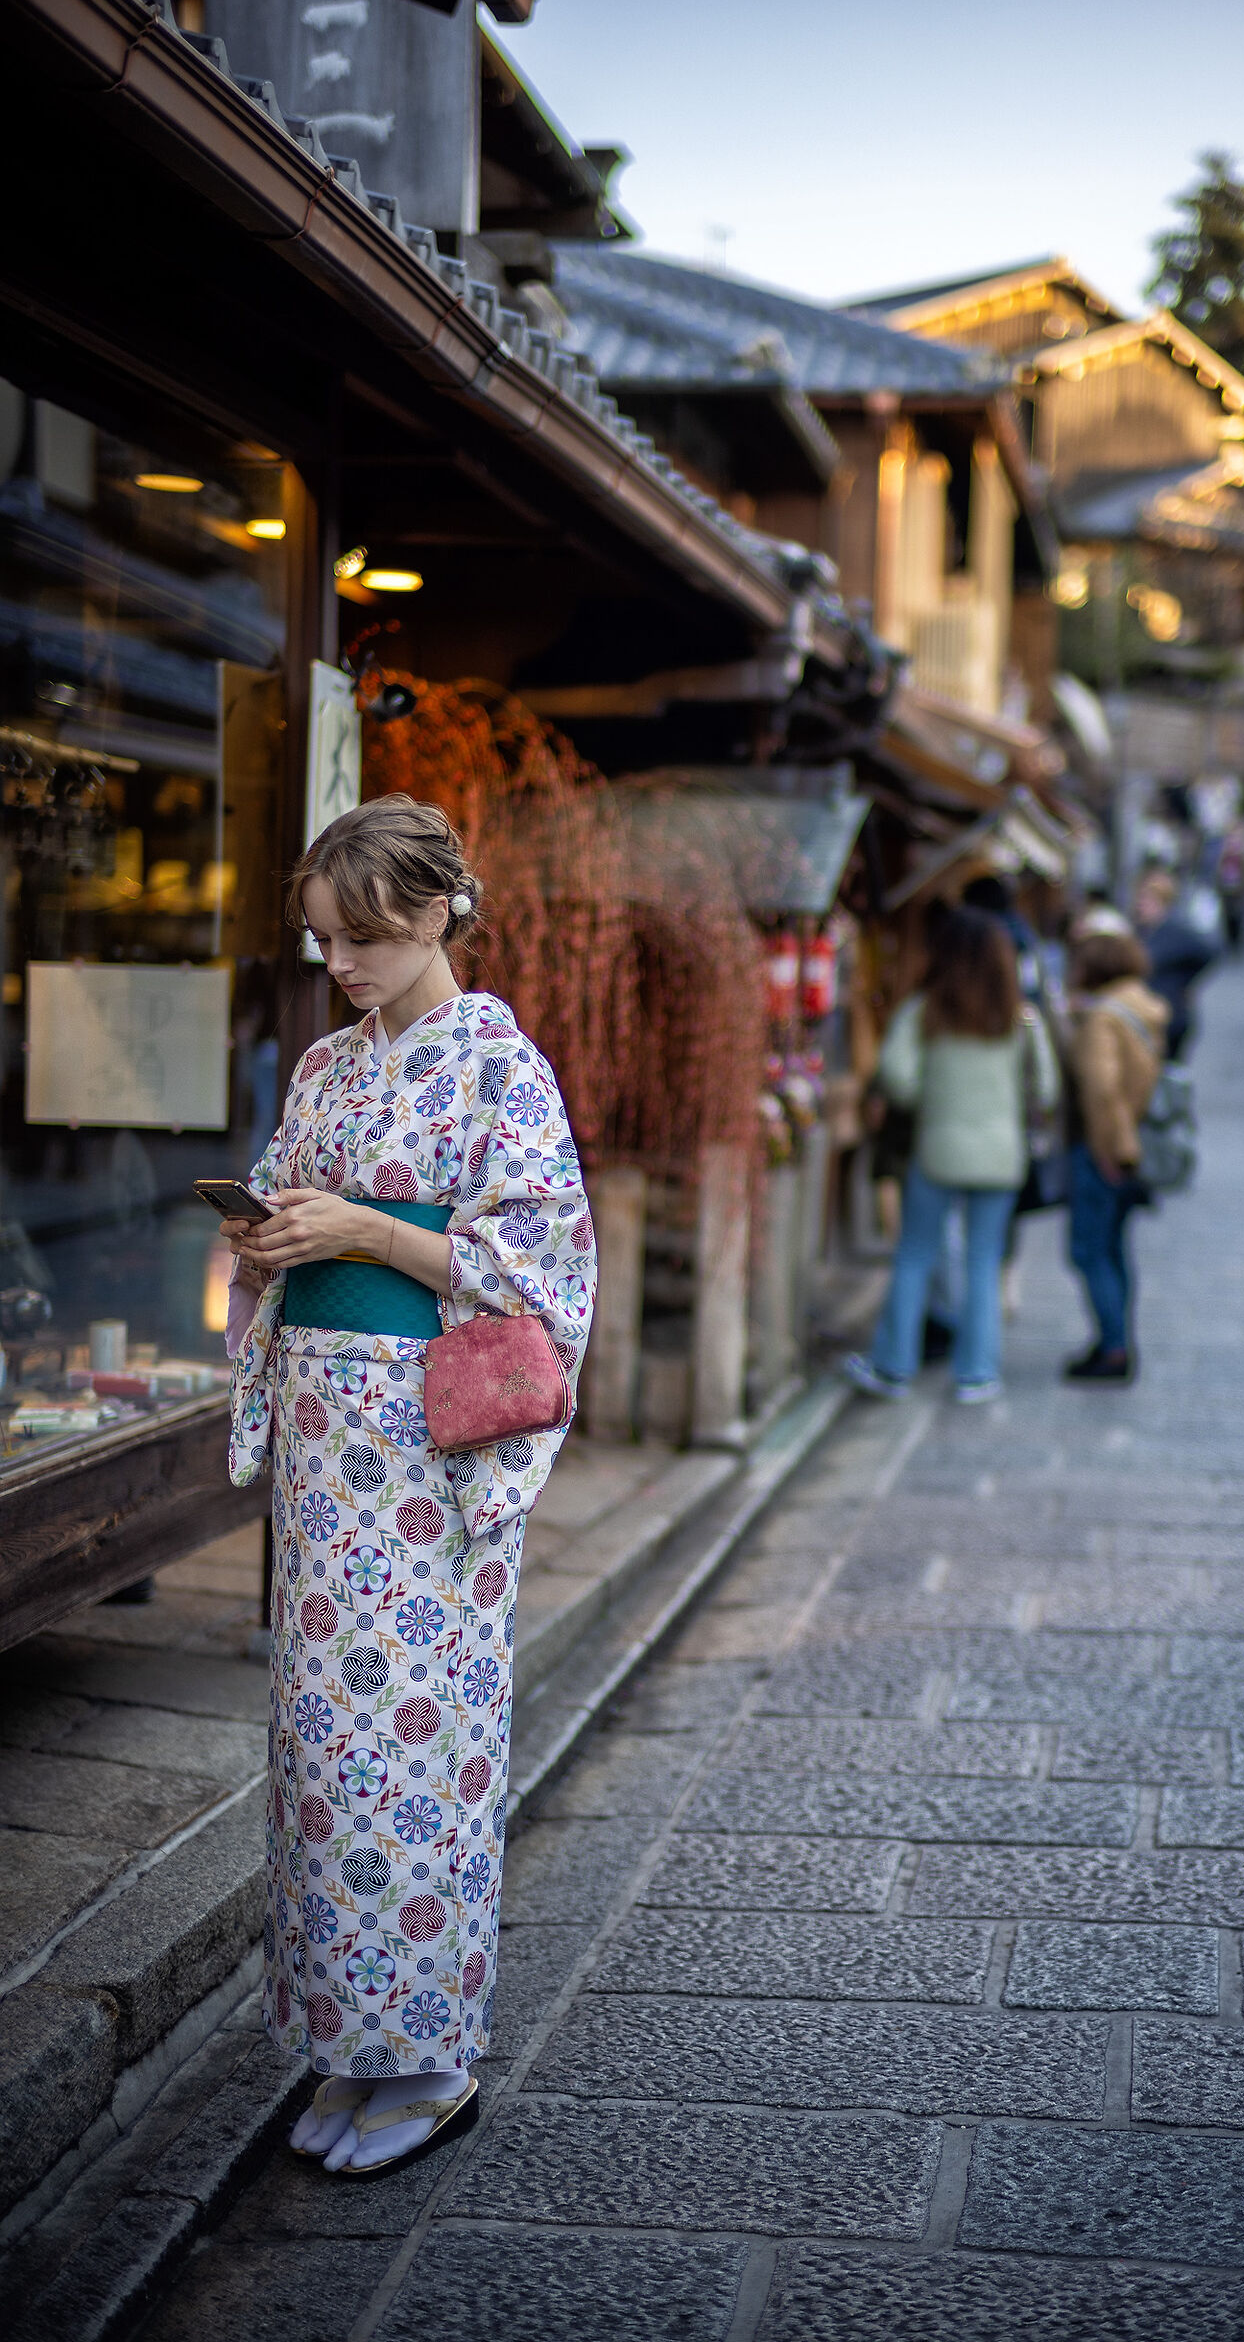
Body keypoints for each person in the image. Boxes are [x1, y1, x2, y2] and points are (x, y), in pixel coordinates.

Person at [215, 795, 594, 2176]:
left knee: (414, 1747)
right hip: (326, 1460)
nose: (344, 968)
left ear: (439, 910)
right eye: (325, 942)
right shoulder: (325, 1068)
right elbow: (283, 1195)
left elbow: (541, 1265)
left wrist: (370, 1229)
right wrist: (269, 1239)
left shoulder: (502, 1070)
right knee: (319, 1749)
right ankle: (345, 2042)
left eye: (364, 937)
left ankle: (429, 2061)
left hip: (430, 1468)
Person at [844, 907, 1057, 1406]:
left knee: (915, 1255)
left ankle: (893, 1366)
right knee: (984, 1262)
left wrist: (928, 1098)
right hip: (1000, 1157)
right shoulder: (1019, 1018)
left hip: (937, 1151)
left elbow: (894, 1074)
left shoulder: (925, 1011)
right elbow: (1045, 1086)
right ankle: (977, 1374)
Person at [1061, 915, 1169, 1384]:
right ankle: (1117, 1339)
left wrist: (1112, 1149)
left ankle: (1112, 1347)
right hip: (1134, 1147)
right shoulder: (1141, 1008)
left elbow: (1102, 1089)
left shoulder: (1104, 1018)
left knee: (1090, 1250)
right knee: (1116, 1250)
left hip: (1106, 1150)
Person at [1133, 866, 1217, 1062]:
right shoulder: (1147, 930)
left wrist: (1185, 980)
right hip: (1155, 1011)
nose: (1140, 906)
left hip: (1172, 1014)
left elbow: (1208, 953)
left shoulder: (1175, 930)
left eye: (1145, 901)